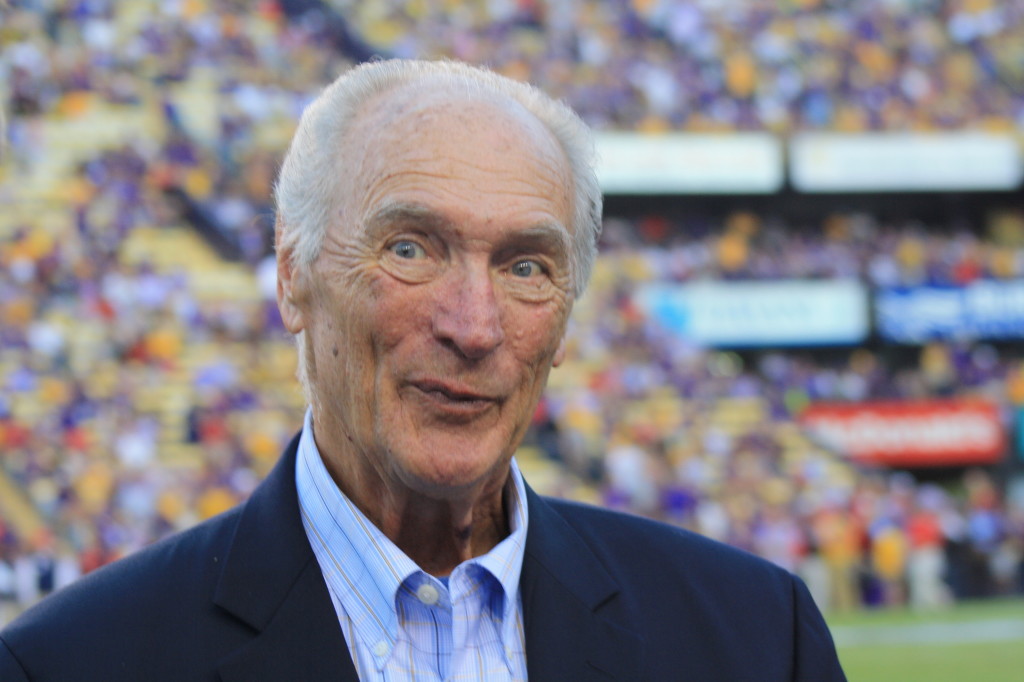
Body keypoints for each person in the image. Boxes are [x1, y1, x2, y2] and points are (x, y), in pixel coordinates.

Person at [0, 59, 846, 681]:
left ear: (568, 313)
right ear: (294, 276)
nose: (474, 327)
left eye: (525, 267)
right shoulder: (74, 664)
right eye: (410, 249)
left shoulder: (758, 641)